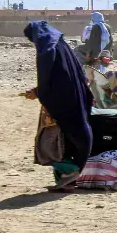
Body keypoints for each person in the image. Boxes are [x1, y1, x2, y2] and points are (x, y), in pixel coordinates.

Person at [23, 21, 93, 191]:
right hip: (75, 98)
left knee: (52, 143)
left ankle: (71, 172)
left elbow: (50, 80)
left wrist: (39, 92)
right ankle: (66, 180)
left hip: (64, 101)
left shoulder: (47, 51)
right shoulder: (62, 46)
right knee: (68, 139)